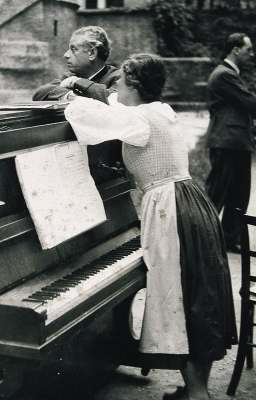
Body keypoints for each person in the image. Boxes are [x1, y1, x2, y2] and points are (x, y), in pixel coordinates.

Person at [64, 54, 237, 400]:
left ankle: (198, 395)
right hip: (192, 202)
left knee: (178, 297)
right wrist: (86, 85)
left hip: (169, 210)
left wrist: (69, 95)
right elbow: (114, 104)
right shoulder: (161, 110)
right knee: (197, 293)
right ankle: (195, 389)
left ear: (135, 86)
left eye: (121, 82)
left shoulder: (136, 119)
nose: (116, 88)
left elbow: (90, 116)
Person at [205, 33, 256, 253]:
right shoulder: (224, 75)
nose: (251, 54)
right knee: (217, 192)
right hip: (227, 142)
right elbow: (249, 102)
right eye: (248, 50)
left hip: (235, 141)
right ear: (236, 49)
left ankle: (228, 238)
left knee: (238, 193)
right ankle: (200, 235)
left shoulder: (229, 74)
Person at [32, 25, 120, 104]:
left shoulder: (119, 77)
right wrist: (71, 96)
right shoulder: (70, 76)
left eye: (73, 49)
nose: (66, 55)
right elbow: (39, 94)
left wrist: (76, 82)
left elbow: (114, 99)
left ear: (92, 53)